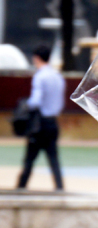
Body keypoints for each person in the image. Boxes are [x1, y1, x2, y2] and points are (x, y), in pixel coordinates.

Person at [16, 44, 66, 191]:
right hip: (53, 122)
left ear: (36, 58)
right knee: (53, 158)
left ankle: (21, 187)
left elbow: (35, 101)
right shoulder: (57, 76)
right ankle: (59, 187)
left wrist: (25, 106)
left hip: (39, 124)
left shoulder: (40, 76)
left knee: (29, 159)